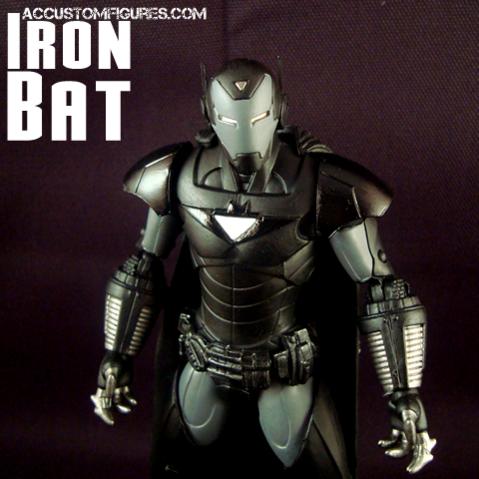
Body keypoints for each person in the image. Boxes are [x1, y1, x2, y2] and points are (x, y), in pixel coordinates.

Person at [91, 58, 436, 477]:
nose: (244, 136)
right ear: (209, 114)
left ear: (279, 112)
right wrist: (117, 356)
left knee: (306, 456)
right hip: (205, 357)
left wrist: (404, 394)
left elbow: (385, 291)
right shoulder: (178, 175)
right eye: (230, 120)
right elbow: (141, 271)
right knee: (184, 454)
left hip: (282, 367)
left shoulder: (319, 181)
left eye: (256, 118)